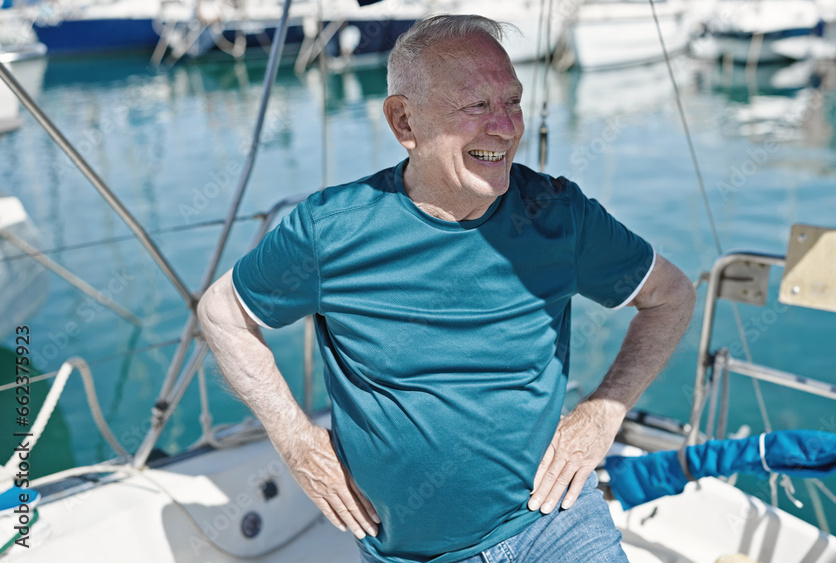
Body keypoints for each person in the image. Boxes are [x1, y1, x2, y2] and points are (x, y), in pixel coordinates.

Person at [197, 14, 695, 563]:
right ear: (405, 122)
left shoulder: (558, 215)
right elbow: (222, 314)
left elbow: (671, 296)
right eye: (476, 107)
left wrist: (604, 410)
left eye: (513, 101)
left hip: (552, 524)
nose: (505, 128)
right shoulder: (330, 229)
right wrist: (295, 439)